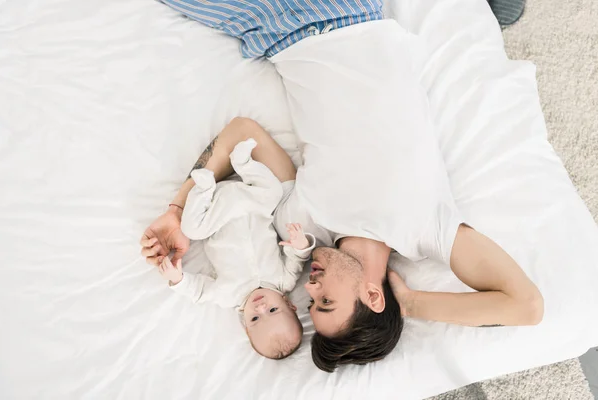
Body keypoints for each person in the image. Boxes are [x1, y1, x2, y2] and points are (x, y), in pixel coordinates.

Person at [146, 0, 544, 372]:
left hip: (271, 30)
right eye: (326, 301)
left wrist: (177, 212)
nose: (311, 287)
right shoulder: (424, 229)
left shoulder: (300, 223)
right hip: (345, 12)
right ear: (373, 296)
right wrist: (411, 304)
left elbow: (241, 133)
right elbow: (527, 307)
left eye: (311, 302)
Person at [156, 139, 316, 359]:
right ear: (289, 304)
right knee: (274, 192)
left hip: (216, 212)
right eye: (272, 310)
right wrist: (301, 245)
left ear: (245, 324)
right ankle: (244, 164)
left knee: (191, 229)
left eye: (255, 319)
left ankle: (203, 188)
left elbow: (199, 291)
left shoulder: (228, 296)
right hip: (254, 205)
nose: (260, 308)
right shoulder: (284, 281)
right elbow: (298, 259)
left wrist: (178, 279)